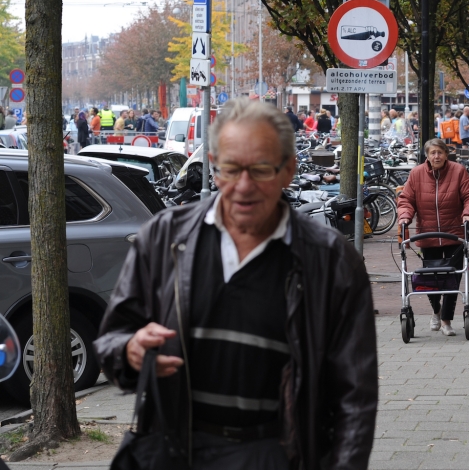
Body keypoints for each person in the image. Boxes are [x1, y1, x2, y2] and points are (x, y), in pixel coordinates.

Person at [94, 99, 378, 469]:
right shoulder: (165, 238)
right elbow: (111, 341)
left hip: (276, 454)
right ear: (213, 166)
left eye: (260, 170)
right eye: (230, 169)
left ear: (288, 170)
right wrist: (129, 350)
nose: (243, 186)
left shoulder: (331, 261)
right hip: (178, 451)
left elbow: (355, 398)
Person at [396, 139, 469, 336]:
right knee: (430, 279)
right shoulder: (417, 174)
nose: (436, 156)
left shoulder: (458, 171)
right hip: (428, 234)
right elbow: (406, 200)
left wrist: (468, 213)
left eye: (440, 153)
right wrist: (405, 217)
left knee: (452, 278)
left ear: (446, 154)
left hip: (455, 234)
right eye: (433, 153)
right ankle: (436, 311)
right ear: (427, 155)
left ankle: (446, 321)